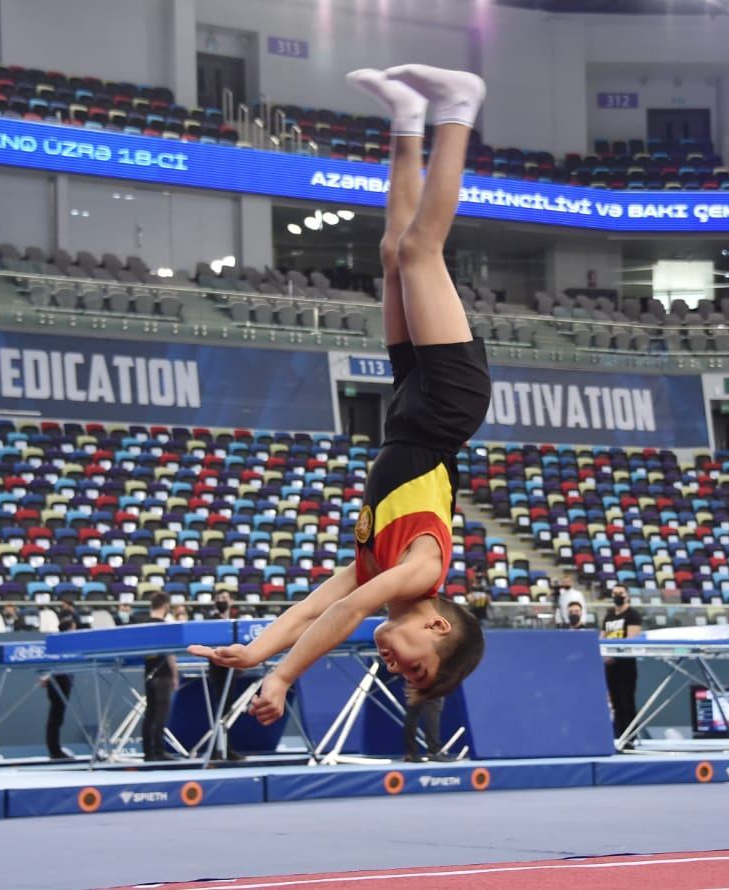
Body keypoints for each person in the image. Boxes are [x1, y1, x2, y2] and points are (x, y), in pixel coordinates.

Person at [189, 64, 489, 725]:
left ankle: (408, 117)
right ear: (437, 628)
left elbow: (311, 608)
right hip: (445, 409)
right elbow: (345, 613)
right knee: (419, 255)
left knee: (392, 252)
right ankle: (460, 110)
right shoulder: (416, 575)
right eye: (413, 665)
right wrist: (283, 675)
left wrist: (256, 650)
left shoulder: (377, 566)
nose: (394, 663)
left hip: (411, 409)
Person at [601, 587, 643, 745]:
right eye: (615, 594)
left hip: (625, 664)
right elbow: (602, 637)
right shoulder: (609, 616)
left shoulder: (632, 615)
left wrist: (615, 654)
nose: (617, 596)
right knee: (616, 703)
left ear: (627, 596)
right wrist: (605, 655)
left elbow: (631, 639)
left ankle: (631, 738)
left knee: (627, 702)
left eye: (621, 594)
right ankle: (619, 737)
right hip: (610, 666)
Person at [141, 592, 179, 761]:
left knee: (150, 712)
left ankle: (148, 751)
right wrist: (175, 675)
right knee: (160, 713)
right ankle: (158, 750)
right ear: (166, 606)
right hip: (162, 675)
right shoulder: (164, 626)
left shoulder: (143, 626)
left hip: (148, 674)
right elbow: (170, 654)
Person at [41, 606, 77, 760]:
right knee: (55, 717)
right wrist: (48, 675)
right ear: (71, 627)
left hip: (63, 679)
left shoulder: (67, 642)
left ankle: (55, 749)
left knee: (57, 717)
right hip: (59, 680)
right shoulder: (61, 642)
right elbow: (54, 661)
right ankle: (54, 751)